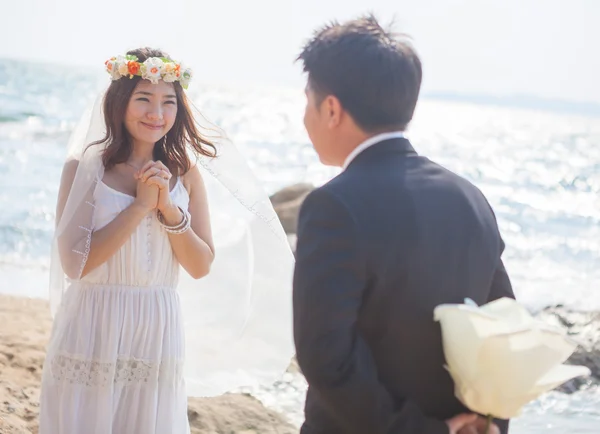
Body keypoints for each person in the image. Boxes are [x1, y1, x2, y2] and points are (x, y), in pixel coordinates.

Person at [39, 48, 295, 434]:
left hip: (157, 326)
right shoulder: (84, 168)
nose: (156, 113)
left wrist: (170, 213)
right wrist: (140, 207)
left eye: (168, 102)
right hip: (95, 321)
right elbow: (76, 264)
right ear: (120, 102)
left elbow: (200, 266)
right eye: (143, 98)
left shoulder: (186, 174)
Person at [292, 15, 513, 434]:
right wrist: (487, 424)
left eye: (308, 101)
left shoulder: (333, 205)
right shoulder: (470, 198)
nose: (305, 118)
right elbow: (503, 332)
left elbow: (326, 357)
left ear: (332, 109)